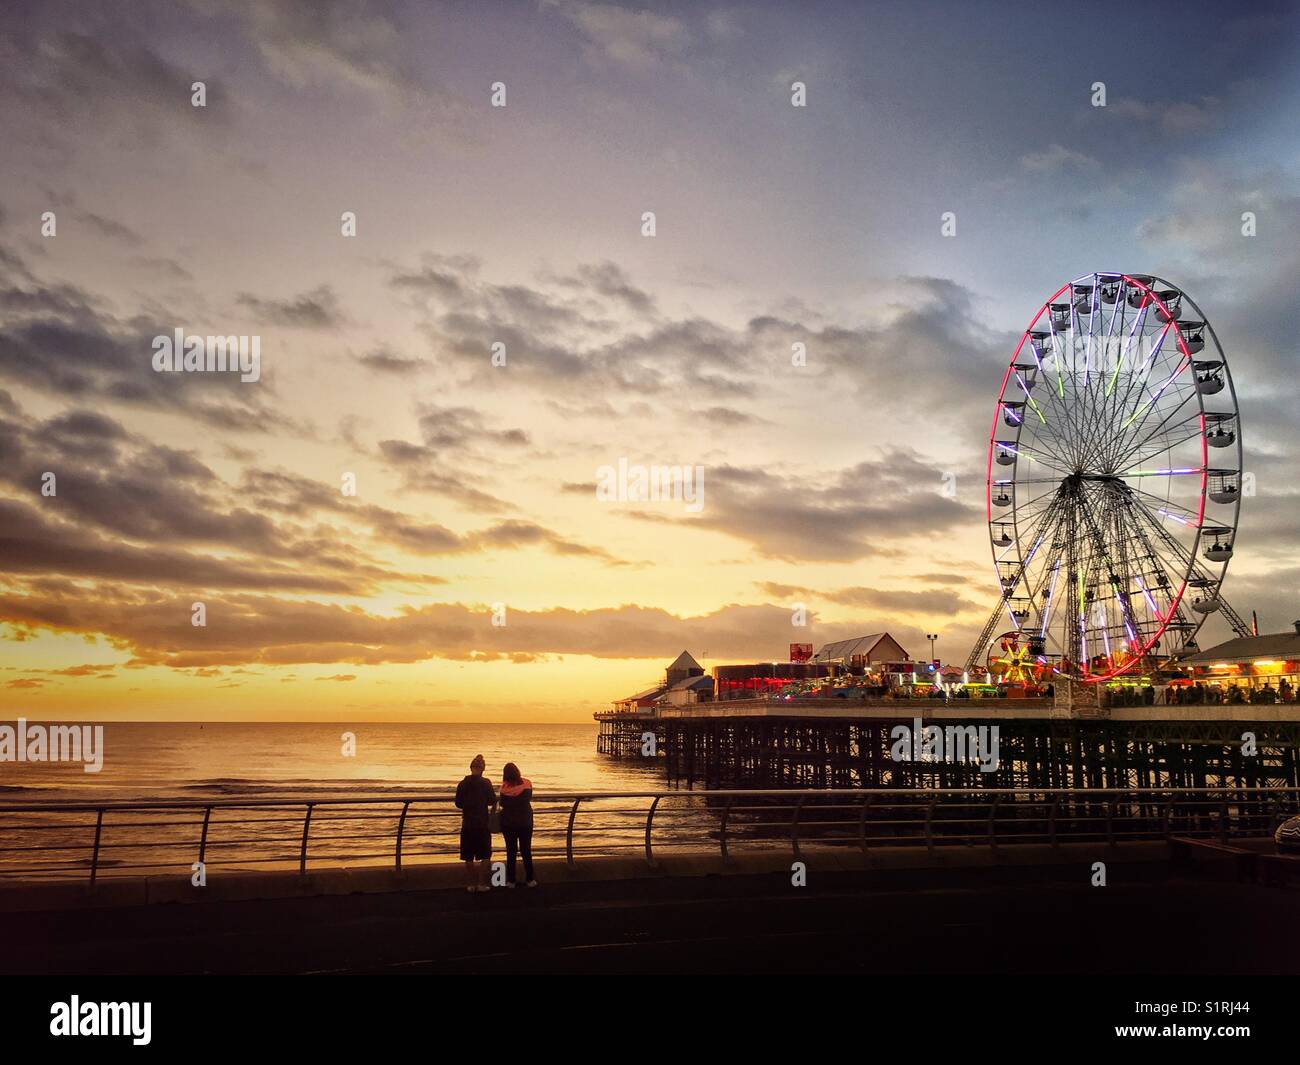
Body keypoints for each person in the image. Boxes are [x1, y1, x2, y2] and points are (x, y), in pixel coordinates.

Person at [455, 754, 496, 892]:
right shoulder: (486, 783)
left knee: (468, 855)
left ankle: (471, 884)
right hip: (482, 823)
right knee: (485, 854)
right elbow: (492, 800)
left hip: (467, 823)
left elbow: (458, 803)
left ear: (471, 767)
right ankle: (481, 883)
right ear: (482, 769)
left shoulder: (462, 783)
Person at [498, 762, 537, 888]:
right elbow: (527, 799)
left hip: (508, 823)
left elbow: (503, 803)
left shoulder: (504, 787)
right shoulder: (527, 784)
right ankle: (530, 879)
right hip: (525, 822)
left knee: (511, 851)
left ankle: (511, 881)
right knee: (526, 850)